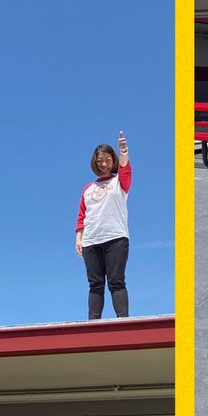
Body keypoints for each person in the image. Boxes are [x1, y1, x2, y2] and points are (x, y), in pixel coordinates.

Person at [75, 132, 131, 319]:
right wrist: (79, 237)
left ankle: (123, 321)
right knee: (95, 284)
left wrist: (123, 152)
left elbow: (125, 169)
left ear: (113, 160)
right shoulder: (87, 189)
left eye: (108, 159)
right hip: (91, 240)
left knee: (116, 281)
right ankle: (93, 323)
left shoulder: (119, 182)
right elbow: (82, 215)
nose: (104, 164)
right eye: (100, 161)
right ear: (95, 163)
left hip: (115, 237)